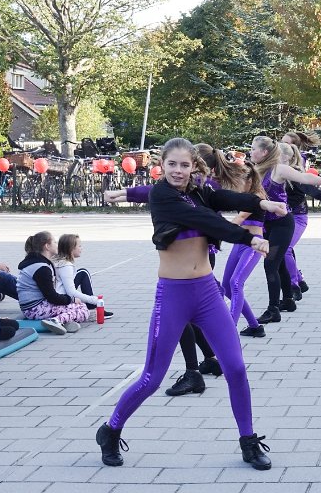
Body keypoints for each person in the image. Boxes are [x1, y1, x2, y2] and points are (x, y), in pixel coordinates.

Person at [95, 138, 281, 471]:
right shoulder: (163, 196)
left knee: (235, 368)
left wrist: (262, 205)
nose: (179, 171)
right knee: (153, 377)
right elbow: (208, 221)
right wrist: (249, 237)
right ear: (161, 166)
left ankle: (248, 442)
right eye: (172, 165)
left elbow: (223, 197)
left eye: (185, 165)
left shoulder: (196, 191)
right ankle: (110, 430)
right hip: (174, 295)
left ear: (193, 166)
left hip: (207, 293)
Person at [104, 185, 228, 397]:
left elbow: (155, 191)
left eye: (183, 164)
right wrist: (124, 194)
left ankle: (193, 372)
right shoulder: (199, 185)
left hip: (190, 257)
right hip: (196, 253)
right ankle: (210, 359)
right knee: (188, 315)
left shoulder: (198, 187)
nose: (177, 171)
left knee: (180, 316)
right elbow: (154, 191)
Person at [250, 137, 321, 325]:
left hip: (283, 223)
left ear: (264, 152)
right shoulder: (255, 170)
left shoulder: (278, 168)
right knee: (280, 264)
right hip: (266, 224)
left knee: (270, 265)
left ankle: (273, 309)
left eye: (253, 149)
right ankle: (289, 301)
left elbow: (305, 178)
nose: (251, 152)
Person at [279, 135, 321, 301]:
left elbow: (306, 184)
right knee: (284, 250)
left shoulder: (294, 170)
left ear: (292, 150)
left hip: (297, 216)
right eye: (281, 143)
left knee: (285, 248)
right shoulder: (275, 168)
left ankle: (294, 285)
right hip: (281, 216)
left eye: (286, 144)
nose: (282, 145)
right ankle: (300, 280)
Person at [16, 231, 89, 335]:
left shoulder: (37, 262)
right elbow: (52, 297)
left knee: (76, 306)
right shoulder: (41, 267)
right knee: (83, 309)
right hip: (35, 309)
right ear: (47, 246)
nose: (57, 245)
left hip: (31, 307)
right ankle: (55, 321)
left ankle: (63, 321)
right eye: (54, 242)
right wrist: (71, 299)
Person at [53, 234, 111, 318]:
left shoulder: (58, 261)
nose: (81, 248)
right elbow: (71, 292)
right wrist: (93, 300)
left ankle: (91, 305)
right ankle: (92, 305)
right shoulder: (66, 265)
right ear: (71, 248)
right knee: (83, 272)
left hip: (58, 294)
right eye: (79, 246)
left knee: (82, 273)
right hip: (61, 298)